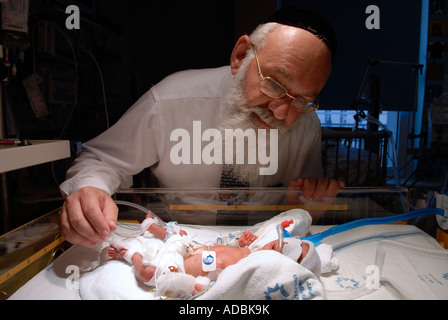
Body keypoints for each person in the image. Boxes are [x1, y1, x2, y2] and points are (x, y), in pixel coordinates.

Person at [58, 7, 345, 248]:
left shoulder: (306, 124)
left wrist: (304, 207)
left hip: (259, 247)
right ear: (241, 55)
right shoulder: (172, 100)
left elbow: (299, 206)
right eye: (273, 84)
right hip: (174, 241)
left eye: (301, 100)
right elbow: (101, 160)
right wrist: (90, 190)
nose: (280, 111)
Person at [107, 210, 318, 299]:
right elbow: (222, 243)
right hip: (191, 248)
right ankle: (152, 227)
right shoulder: (249, 250)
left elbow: (223, 289)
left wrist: (196, 287)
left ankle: (129, 255)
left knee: (148, 274)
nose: (281, 247)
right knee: (180, 234)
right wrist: (238, 242)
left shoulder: (251, 271)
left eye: (295, 256)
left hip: (179, 267)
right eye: (283, 243)